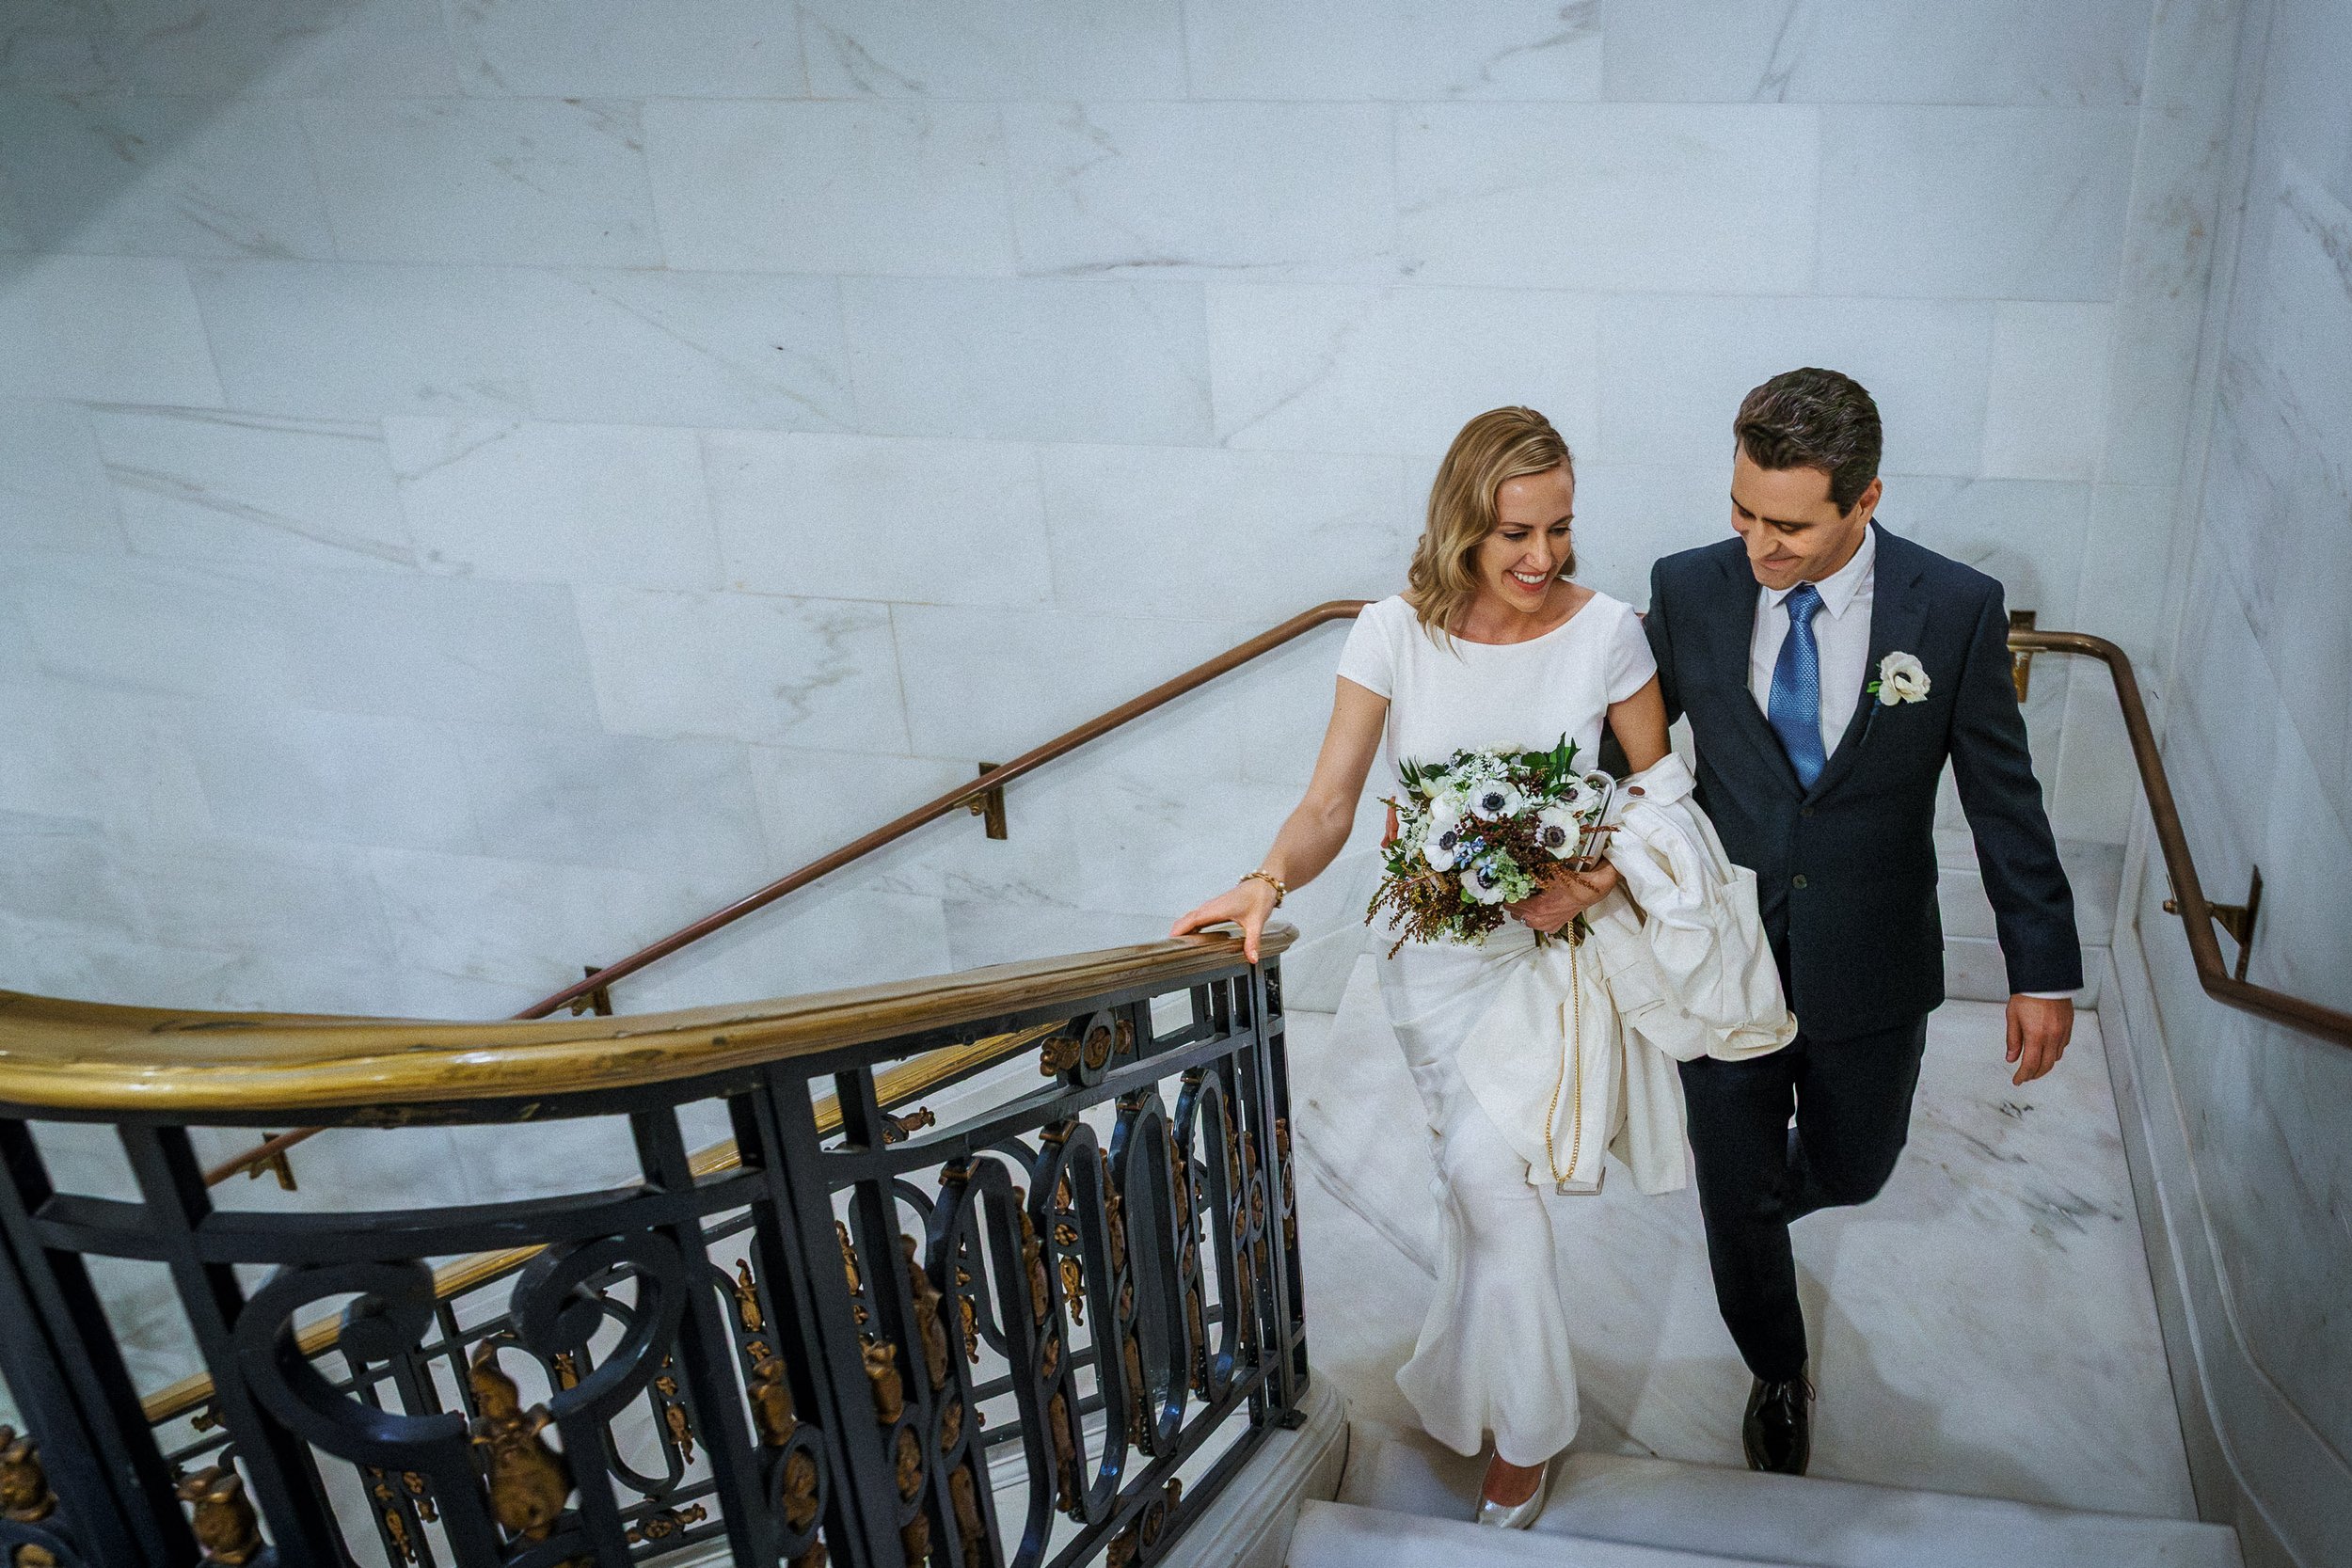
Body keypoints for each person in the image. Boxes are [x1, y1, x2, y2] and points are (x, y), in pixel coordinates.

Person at [1171, 406, 1669, 1527]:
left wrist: (1590, 883)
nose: (1541, 557)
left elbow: (1662, 794)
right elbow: (1331, 802)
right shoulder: (1391, 631)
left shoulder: (1609, 634)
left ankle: (1528, 1436)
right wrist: (1266, 878)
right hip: (1427, 959)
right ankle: (1463, 1383)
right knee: (1464, 1178)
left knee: (1494, 1183)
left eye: (1559, 529)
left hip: (1548, 954)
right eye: (1513, 535)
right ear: (1461, 527)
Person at [1644, 368, 2080, 1476]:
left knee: (1858, 1159)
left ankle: (1779, 1182)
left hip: (1873, 961)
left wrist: (2042, 966)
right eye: (1741, 511)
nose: (1758, 545)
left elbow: (2002, 793)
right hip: (1722, 957)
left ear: (1864, 497)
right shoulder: (1688, 589)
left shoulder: (1955, 608)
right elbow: (1620, 755)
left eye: (1787, 524)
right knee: (1734, 1189)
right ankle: (1775, 1365)